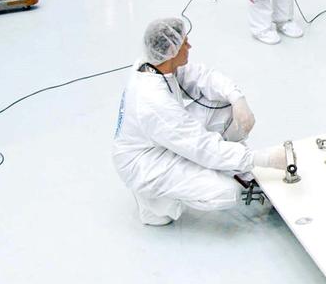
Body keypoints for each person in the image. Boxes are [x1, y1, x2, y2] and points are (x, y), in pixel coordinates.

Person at [112, 17, 287, 225]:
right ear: (172, 51)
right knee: (227, 192)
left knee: (223, 104)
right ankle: (154, 203)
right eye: (185, 42)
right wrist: (263, 159)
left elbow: (203, 77)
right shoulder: (154, 103)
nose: (189, 46)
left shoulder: (155, 66)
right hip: (146, 164)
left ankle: (227, 163)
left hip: (160, 141)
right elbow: (202, 148)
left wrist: (236, 98)